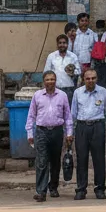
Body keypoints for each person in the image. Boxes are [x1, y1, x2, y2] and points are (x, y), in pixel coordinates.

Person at [68, 68, 106, 200]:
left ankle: (100, 189)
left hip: (98, 126)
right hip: (82, 127)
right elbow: (72, 114)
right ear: (84, 79)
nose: (90, 81)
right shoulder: (78, 92)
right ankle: (81, 189)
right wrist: (70, 132)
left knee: (99, 159)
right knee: (81, 159)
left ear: (97, 78)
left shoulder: (103, 92)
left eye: (93, 78)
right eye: (88, 78)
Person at [26, 70, 72, 202]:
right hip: (41, 131)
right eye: (47, 79)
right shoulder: (37, 96)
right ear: (43, 81)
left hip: (57, 131)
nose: (50, 82)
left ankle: (53, 187)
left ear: (55, 81)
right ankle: (41, 191)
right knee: (41, 161)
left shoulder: (62, 95)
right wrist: (29, 132)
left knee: (55, 161)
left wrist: (69, 133)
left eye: (52, 79)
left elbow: (67, 115)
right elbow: (31, 115)